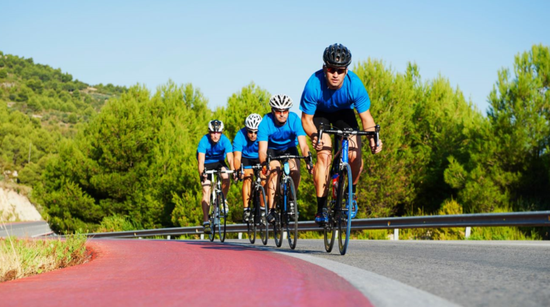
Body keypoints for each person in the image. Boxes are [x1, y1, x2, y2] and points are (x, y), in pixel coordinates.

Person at [299, 43, 383, 225]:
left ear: (346, 71)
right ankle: (321, 207)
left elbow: (366, 119)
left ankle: (351, 194)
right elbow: (306, 120)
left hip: (344, 113)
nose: (335, 74)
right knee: (324, 154)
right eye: (331, 69)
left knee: (354, 153)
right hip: (320, 115)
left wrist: (373, 139)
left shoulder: (355, 85)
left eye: (340, 70)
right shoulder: (313, 84)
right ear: (324, 69)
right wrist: (315, 136)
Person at [258, 94, 312, 224]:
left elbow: (303, 145)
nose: (282, 114)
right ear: (273, 111)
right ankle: (271, 209)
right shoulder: (265, 122)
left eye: (285, 111)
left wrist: (308, 160)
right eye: (278, 111)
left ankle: (292, 200)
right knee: (274, 171)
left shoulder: (294, 119)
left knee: (295, 170)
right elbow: (262, 150)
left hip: (290, 148)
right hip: (273, 150)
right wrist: (265, 164)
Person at [196, 119, 234, 234]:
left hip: (219, 162)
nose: (216, 135)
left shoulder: (225, 141)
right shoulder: (204, 141)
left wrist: (233, 170)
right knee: (206, 189)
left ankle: (223, 199)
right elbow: (201, 161)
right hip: (206, 163)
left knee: (225, 175)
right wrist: (202, 174)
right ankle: (206, 221)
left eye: (218, 133)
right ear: (209, 132)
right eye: (213, 132)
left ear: (221, 132)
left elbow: (230, 158)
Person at [233, 113, 264, 222]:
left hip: (261, 156)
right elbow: (236, 157)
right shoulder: (240, 135)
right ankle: (246, 210)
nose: (253, 135)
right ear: (246, 129)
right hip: (246, 158)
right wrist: (237, 170)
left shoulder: (264, 133)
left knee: (264, 178)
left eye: (256, 132)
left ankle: (263, 209)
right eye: (250, 131)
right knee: (248, 176)